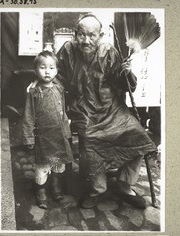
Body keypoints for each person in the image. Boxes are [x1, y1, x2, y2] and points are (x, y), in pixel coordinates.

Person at [55, 13, 157, 209]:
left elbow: (124, 84)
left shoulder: (108, 51)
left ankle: (124, 184)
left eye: (92, 36)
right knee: (91, 141)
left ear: (100, 35)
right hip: (83, 109)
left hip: (112, 109)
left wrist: (126, 73)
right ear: (75, 34)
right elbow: (57, 76)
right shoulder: (68, 50)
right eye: (82, 35)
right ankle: (97, 189)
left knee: (137, 135)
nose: (86, 41)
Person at [22, 51, 73, 209]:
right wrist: (29, 138)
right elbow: (28, 116)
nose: (47, 71)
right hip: (43, 138)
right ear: (36, 71)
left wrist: (67, 132)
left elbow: (62, 112)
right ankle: (41, 191)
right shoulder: (34, 92)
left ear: (56, 71)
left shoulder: (59, 88)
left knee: (58, 165)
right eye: (42, 67)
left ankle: (55, 187)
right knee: (42, 167)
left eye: (51, 67)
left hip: (59, 137)